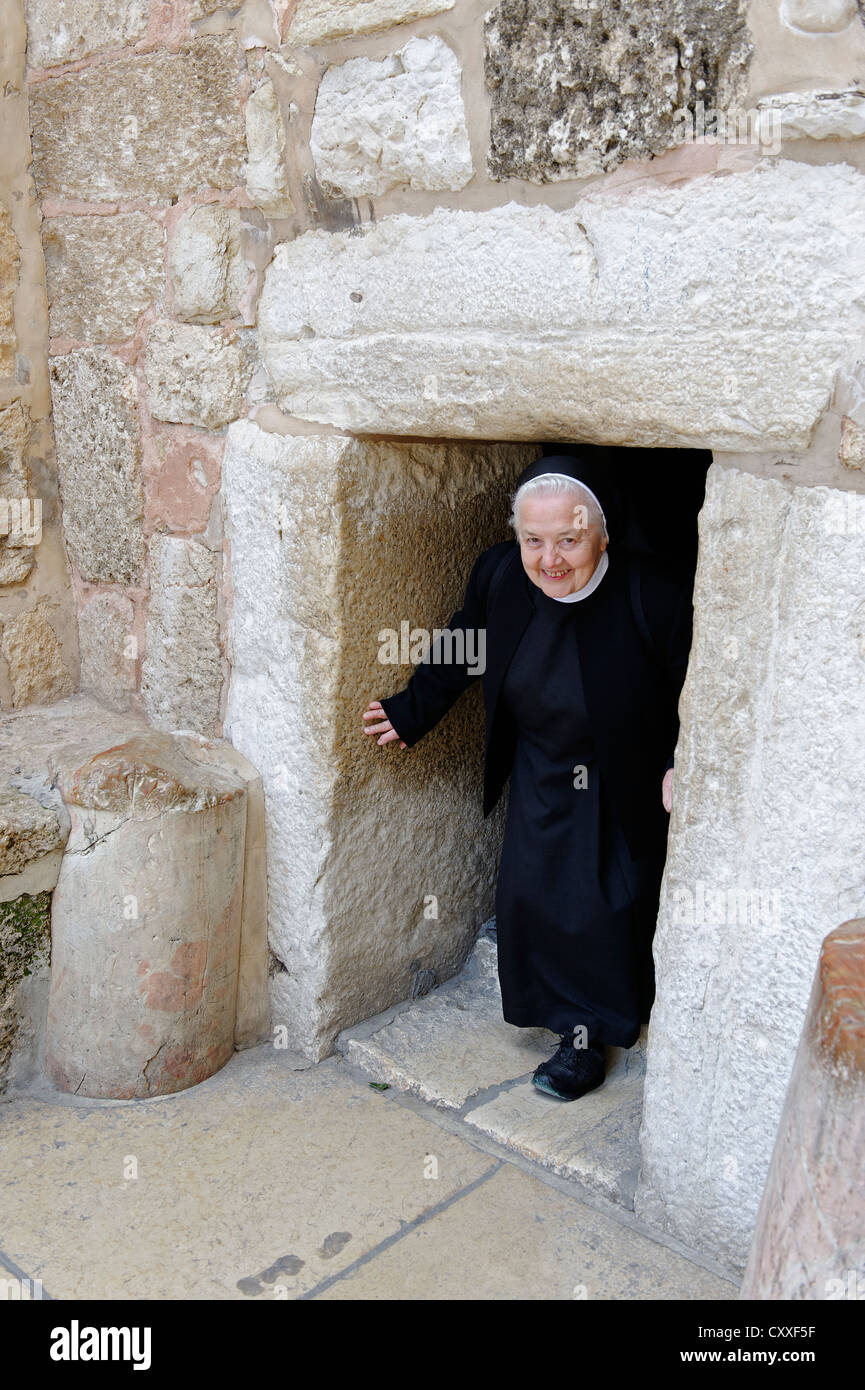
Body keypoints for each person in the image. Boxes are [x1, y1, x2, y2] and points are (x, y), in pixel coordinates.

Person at [362, 450, 693, 1101]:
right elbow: (466, 641)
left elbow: (695, 681)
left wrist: (684, 758)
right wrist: (412, 708)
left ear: (601, 534)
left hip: (615, 768)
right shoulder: (500, 577)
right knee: (532, 896)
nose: (549, 560)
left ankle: (584, 1039)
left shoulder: (649, 593)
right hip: (540, 761)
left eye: (568, 540)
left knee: (601, 904)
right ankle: (557, 1015)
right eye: (533, 541)